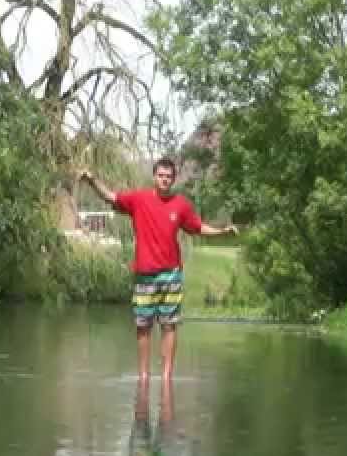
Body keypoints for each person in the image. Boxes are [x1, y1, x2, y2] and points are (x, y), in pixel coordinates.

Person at [77, 157, 237, 380]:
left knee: (169, 325)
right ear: (154, 177)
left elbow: (198, 227)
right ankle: (143, 376)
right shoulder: (139, 199)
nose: (164, 180)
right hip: (145, 273)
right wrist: (92, 181)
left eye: (169, 177)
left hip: (171, 273)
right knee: (143, 325)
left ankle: (166, 376)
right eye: (161, 176)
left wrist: (222, 231)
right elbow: (110, 196)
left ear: (173, 179)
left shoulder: (181, 205)